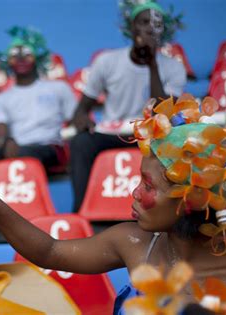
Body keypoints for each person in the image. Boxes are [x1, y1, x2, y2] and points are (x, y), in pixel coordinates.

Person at [0, 95, 226, 314]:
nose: (135, 193)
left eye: (149, 186)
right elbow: (50, 251)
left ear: (190, 200)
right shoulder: (134, 242)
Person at [70, 0, 186, 211]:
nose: (149, 28)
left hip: (152, 138)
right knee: (81, 142)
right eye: (143, 22)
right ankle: (80, 211)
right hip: (114, 133)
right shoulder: (107, 61)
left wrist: (152, 64)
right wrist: (82, 120)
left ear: (163, 31)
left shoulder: (174, 68)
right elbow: (81, 109)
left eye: (156, 24)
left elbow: (162, 111)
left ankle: (164, 212)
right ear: (132, 27)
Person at [0, 26, 77, 174]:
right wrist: (5, 142)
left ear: (38, 57)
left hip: (51, 148)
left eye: (27, 54)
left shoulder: (59, 88)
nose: (21, 59)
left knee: (24, 155)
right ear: (7, 61)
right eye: (15, 55)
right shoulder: (2, 99)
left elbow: (75, 120)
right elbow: (0, 132)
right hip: (15, 147)